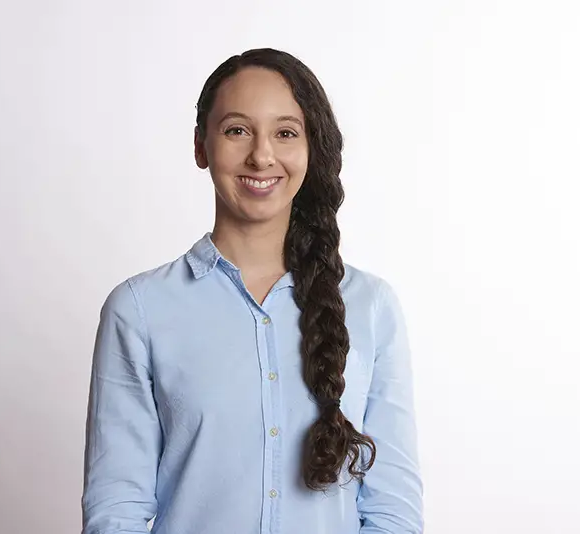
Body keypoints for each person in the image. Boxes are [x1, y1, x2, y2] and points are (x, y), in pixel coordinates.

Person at [81, 48, 423, 534]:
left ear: (311, 149)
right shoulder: (139, 310)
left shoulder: (371, 307)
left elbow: (393, 512)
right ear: (201, 146)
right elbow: (116, 510)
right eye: (237, 130)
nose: (261, 155)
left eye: (285, 133)